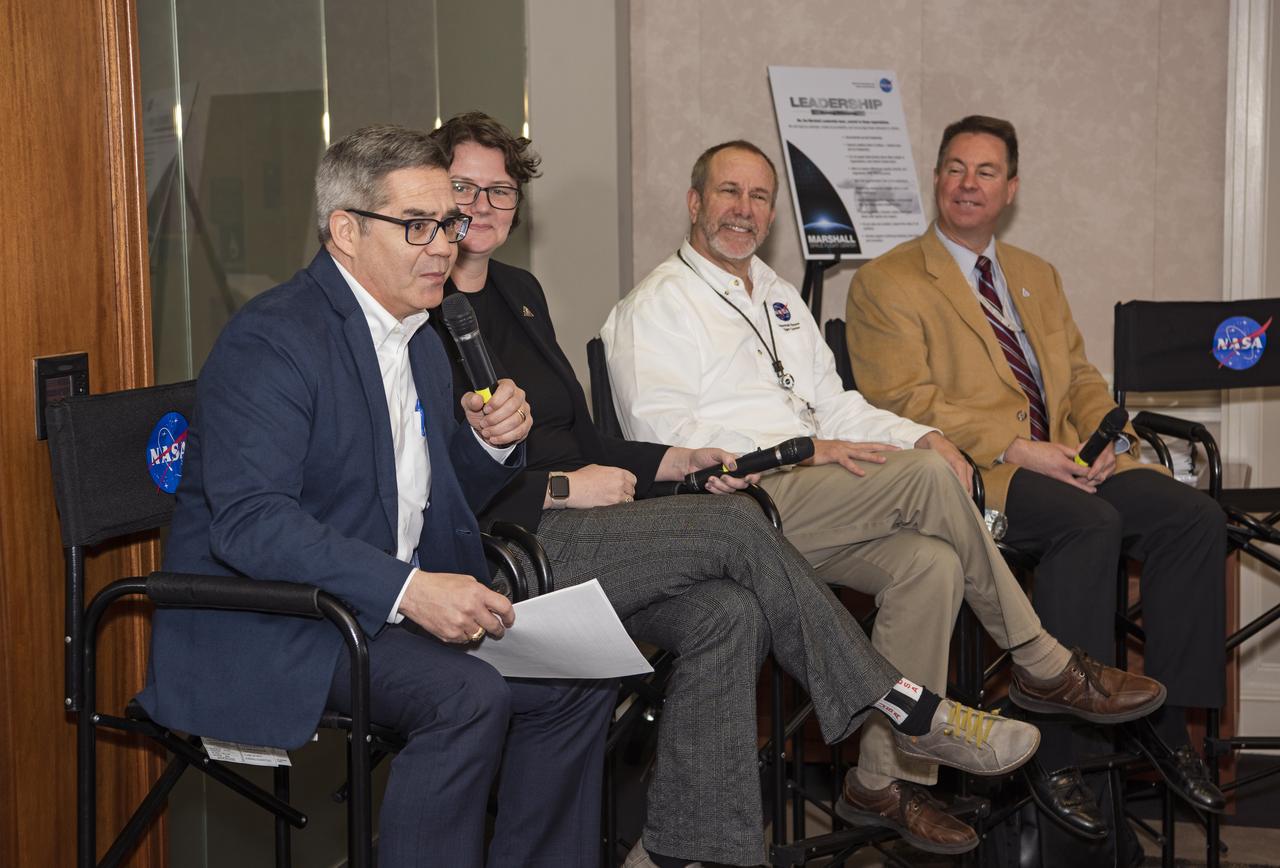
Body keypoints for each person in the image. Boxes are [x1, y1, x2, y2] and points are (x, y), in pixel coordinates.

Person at [427, 112, 1046, 866]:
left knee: (732, 610)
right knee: (737, 527)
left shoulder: (519, 291)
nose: (484, 205)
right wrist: (559, 487)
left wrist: (676, 461)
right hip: (511, 548)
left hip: (600, 533)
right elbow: (431, 477)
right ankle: (906, 703)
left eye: (500, 189)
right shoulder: (419, 313)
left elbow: (588, 441)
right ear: (430, 192)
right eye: (464, 186)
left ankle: (684, 851)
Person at [601, 139, 1167, 843]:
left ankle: (879, 782)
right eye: (727, 193)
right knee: (931, 480)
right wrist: (811, 451)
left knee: (930, 561)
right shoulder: (655, 306)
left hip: (812, 500)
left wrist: (921, 434)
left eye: (758, 198)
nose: (743, 211)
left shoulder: (776, 297)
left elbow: (836, 404)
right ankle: (1039, 658)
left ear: (772, 212)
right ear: (694, 202)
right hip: (734, 510)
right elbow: (671, 447)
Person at [136, 125, 619, 868]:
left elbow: (425, 491)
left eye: (449, 224)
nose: (446, 246)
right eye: (418, 226)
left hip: (373, 607)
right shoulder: (273, 341)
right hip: (278, 616)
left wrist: (488, 444)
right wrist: (410, 591)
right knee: (465, 699)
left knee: (574, 684)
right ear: (346, 232)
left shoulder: (418, 334)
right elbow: (250, 524)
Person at [846, 114, 1228, 814]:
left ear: (1011, 189)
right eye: (956, 168)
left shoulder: (1035, 275)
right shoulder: (887, 281)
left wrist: (1106, 437)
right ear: (936, 178)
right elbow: (901, 401)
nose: (968, 184)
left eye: (985, 172)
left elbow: (1077, 377)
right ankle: (1061, 756)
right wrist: (1020, 448)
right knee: (1087, 524)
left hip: (1068, 464)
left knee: (1193, 518)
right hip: (977, 477)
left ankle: (1172, 736)